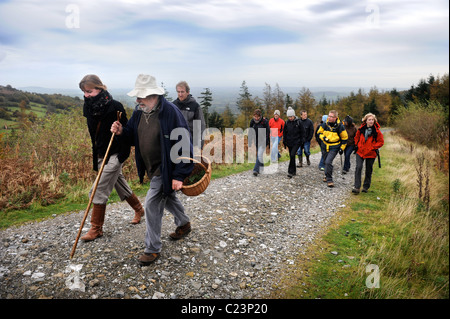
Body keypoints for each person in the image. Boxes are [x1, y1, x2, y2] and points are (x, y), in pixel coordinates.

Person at [111, 74, 194, 265]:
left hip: (166, 168)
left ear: (154, 95)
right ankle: (184, 223)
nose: (137, 100)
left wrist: (179, 175)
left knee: (151, 203)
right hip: (151, 167)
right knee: (167, 196)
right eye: (137, 96)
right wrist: (122, 131)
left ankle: (152, 248)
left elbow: (184, 145)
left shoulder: (171, 112)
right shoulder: (140, 111)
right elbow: (132, 135)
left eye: (141, 96)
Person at [79, 74, 144, 242]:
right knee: (119, 183)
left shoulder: (115, 107)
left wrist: (119, 130)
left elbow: (128, 133)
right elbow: (94, 134)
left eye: (89, 91)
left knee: (98, 189)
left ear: (100, 88)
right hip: (101, 154)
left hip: (116, 153)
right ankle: (139, 209)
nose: (86, 95)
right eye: (84, 92)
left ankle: (96, 229)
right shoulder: (88, 107)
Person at [352, 113, 384, 194]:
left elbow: (381, 142)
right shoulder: (361, 129)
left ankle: (365, 187)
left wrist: (373, 147)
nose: (371, 121)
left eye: (372, 120)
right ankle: (357, 187)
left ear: (374, 121)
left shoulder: (377, 131)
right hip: (360, 151)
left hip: (371, 153)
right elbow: (356, 137)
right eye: (369, 120)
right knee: (358, 167)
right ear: (365, 121)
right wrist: (356, 145)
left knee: (368, 170)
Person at [316, 110, 348, 187]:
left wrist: (342, 148)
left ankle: (329, 180)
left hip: (334, 147)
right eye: (329, 116)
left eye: (331, 116)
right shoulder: (324, 124)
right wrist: (323, 137)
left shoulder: (340, 126)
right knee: (325, 161)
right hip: (324, 146)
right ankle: (326, 174)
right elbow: (319, 132)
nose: (329, 118)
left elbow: (344, 138)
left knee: (328, 162)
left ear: (335, 118)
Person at [172, 81, 206, 151]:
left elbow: (201, 126)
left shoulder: (195, 106)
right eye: (178, 92)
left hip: (191, 143)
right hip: (175, 143)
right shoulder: (173, 106)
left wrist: (199, 144)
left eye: (182, 92)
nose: (180, 94)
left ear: (188, 92)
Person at [283, 107, 305, 178]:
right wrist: (284, 141)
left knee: (292, 155)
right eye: (289, 117)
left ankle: (290, 171)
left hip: (297, 142)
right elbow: (285, 133)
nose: (290, 118)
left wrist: (302, 141)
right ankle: (294, 171)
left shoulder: (299, 122)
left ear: (294, 115)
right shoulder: (286, 123)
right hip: (289, 142)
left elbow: (303, 132)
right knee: (291, 157)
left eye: (291, 116)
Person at [249, 109, 270, 176]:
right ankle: (262, 166)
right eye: (255, 117)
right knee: (259, 154)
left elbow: (268, 132)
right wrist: (250, 141)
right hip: (256, 140)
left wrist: (267, 141)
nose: (256, 118)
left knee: (259, 154)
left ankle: (256, 170)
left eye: (258, 117)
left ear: (260, 116)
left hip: (263, 140)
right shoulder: (252, 121)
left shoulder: (264, 121)